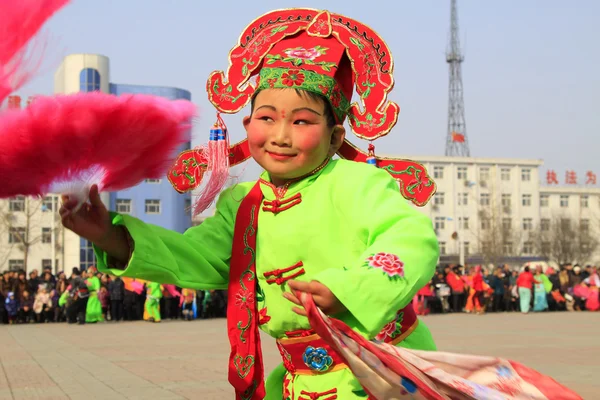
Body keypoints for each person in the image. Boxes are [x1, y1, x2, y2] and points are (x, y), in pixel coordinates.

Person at [59, 8, 439, 399]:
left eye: (302, 122)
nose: (280, 136)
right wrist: (110, 237)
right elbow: (195, 255)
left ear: (335, 135)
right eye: (267, 118)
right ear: (247, 125)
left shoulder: (358, 183)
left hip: (382, 371)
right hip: (299, 382)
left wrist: (348, 289)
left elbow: (410, 238)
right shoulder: (241, 202)